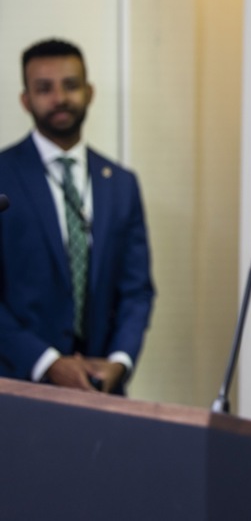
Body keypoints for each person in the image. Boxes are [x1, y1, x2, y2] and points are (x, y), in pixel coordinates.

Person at [0, 38, 155, 394]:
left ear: (89, 92)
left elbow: (136, 290)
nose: (59, 98)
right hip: (18, 387)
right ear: (26, 100)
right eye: (44, 88)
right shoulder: (3, 176)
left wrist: (119, 361)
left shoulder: (121, 184)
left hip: (101, 390)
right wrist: (48, 362)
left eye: (70, 85)